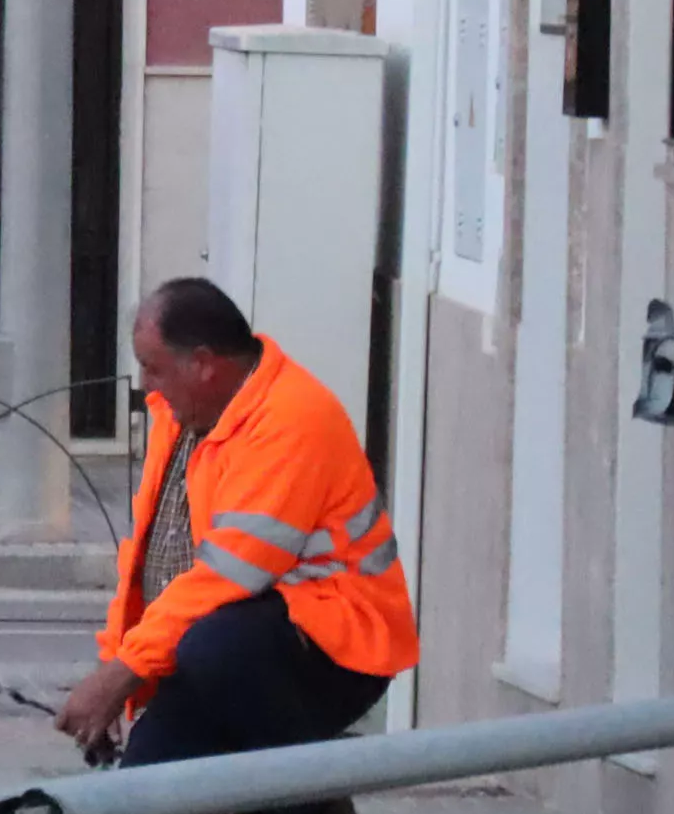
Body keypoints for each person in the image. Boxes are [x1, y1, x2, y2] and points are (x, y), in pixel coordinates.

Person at [53, 277, 418, 777]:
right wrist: (123, 667)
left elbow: (228, 575)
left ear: (202, 364)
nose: (145, 385)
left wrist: (124, 672)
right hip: (238, 640)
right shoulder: (181, 415)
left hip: (335, 649)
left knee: (212, 650)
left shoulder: (292, 420)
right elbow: (148, 562)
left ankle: (315, 808)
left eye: (153, 367)